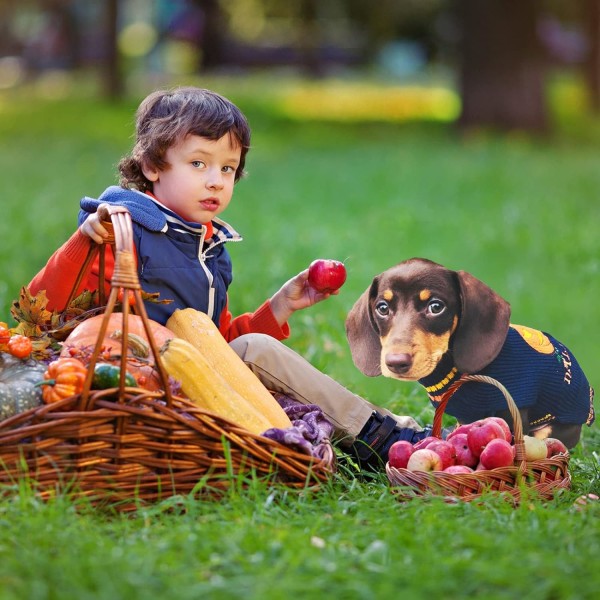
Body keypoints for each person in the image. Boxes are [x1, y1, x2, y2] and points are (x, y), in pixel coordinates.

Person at [28, 86, 429, 469]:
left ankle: (393, 433)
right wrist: (83, 242)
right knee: (257, 349)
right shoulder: (120, 230)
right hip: (131, 387)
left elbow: (221, 347)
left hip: (197, 383)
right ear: (151, 166)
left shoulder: (209, 250)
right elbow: (41, 310)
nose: (216, 180)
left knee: (254, 348)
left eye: (228, 167)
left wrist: (280, 306)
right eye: (198, 163)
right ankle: (376, 437)